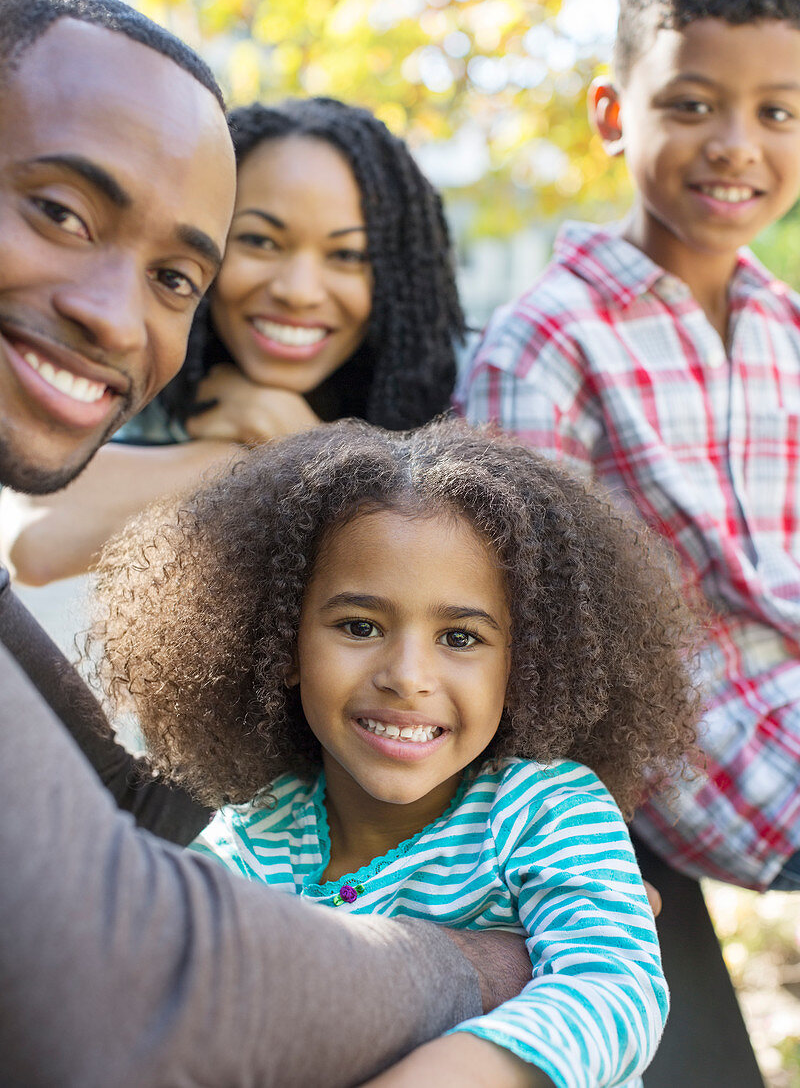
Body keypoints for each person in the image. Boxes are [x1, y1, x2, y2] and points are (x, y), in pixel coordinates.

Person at [0, 0, 530, 1084]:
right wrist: (257, 467)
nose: (112, 309)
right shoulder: (122, 414)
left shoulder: (457, 484)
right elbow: (131, 955)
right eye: (58, 211)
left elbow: (145, 805)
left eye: (170, 276)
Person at [86, 418, 701, 1088]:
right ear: (282, 647)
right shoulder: (253, 838)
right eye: (359, 626)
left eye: (461, 638)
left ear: (521, 666)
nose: (408, 675)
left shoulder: (545, 811)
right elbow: (184, 997)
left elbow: (614, 991)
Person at [455, 0, 800, 1082]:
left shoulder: (783, 323)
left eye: (777, 112)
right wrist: (564, 848)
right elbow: (523, 613)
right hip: (695, 736)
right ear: (613, 113)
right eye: (691, 103)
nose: (735, 145)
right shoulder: (546, 339)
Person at [1, 96, 466, 583]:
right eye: (260, 241)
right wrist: (267, 450)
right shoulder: (144, 367)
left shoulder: (456, 406)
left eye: (347, 255)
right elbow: (34, 538)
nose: (298, 292)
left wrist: (305, 451)